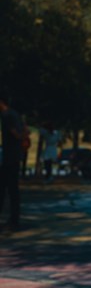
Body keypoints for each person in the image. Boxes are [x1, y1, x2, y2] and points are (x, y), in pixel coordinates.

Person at [0, 94, 26, 230]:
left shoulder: (7, 116)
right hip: (14, 155)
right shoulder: (15, 114)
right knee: (11, 189)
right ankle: (14, 219)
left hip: (9, 156)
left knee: (6, 188)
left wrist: (20, 135)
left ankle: (13, 220)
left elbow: (16, 134)